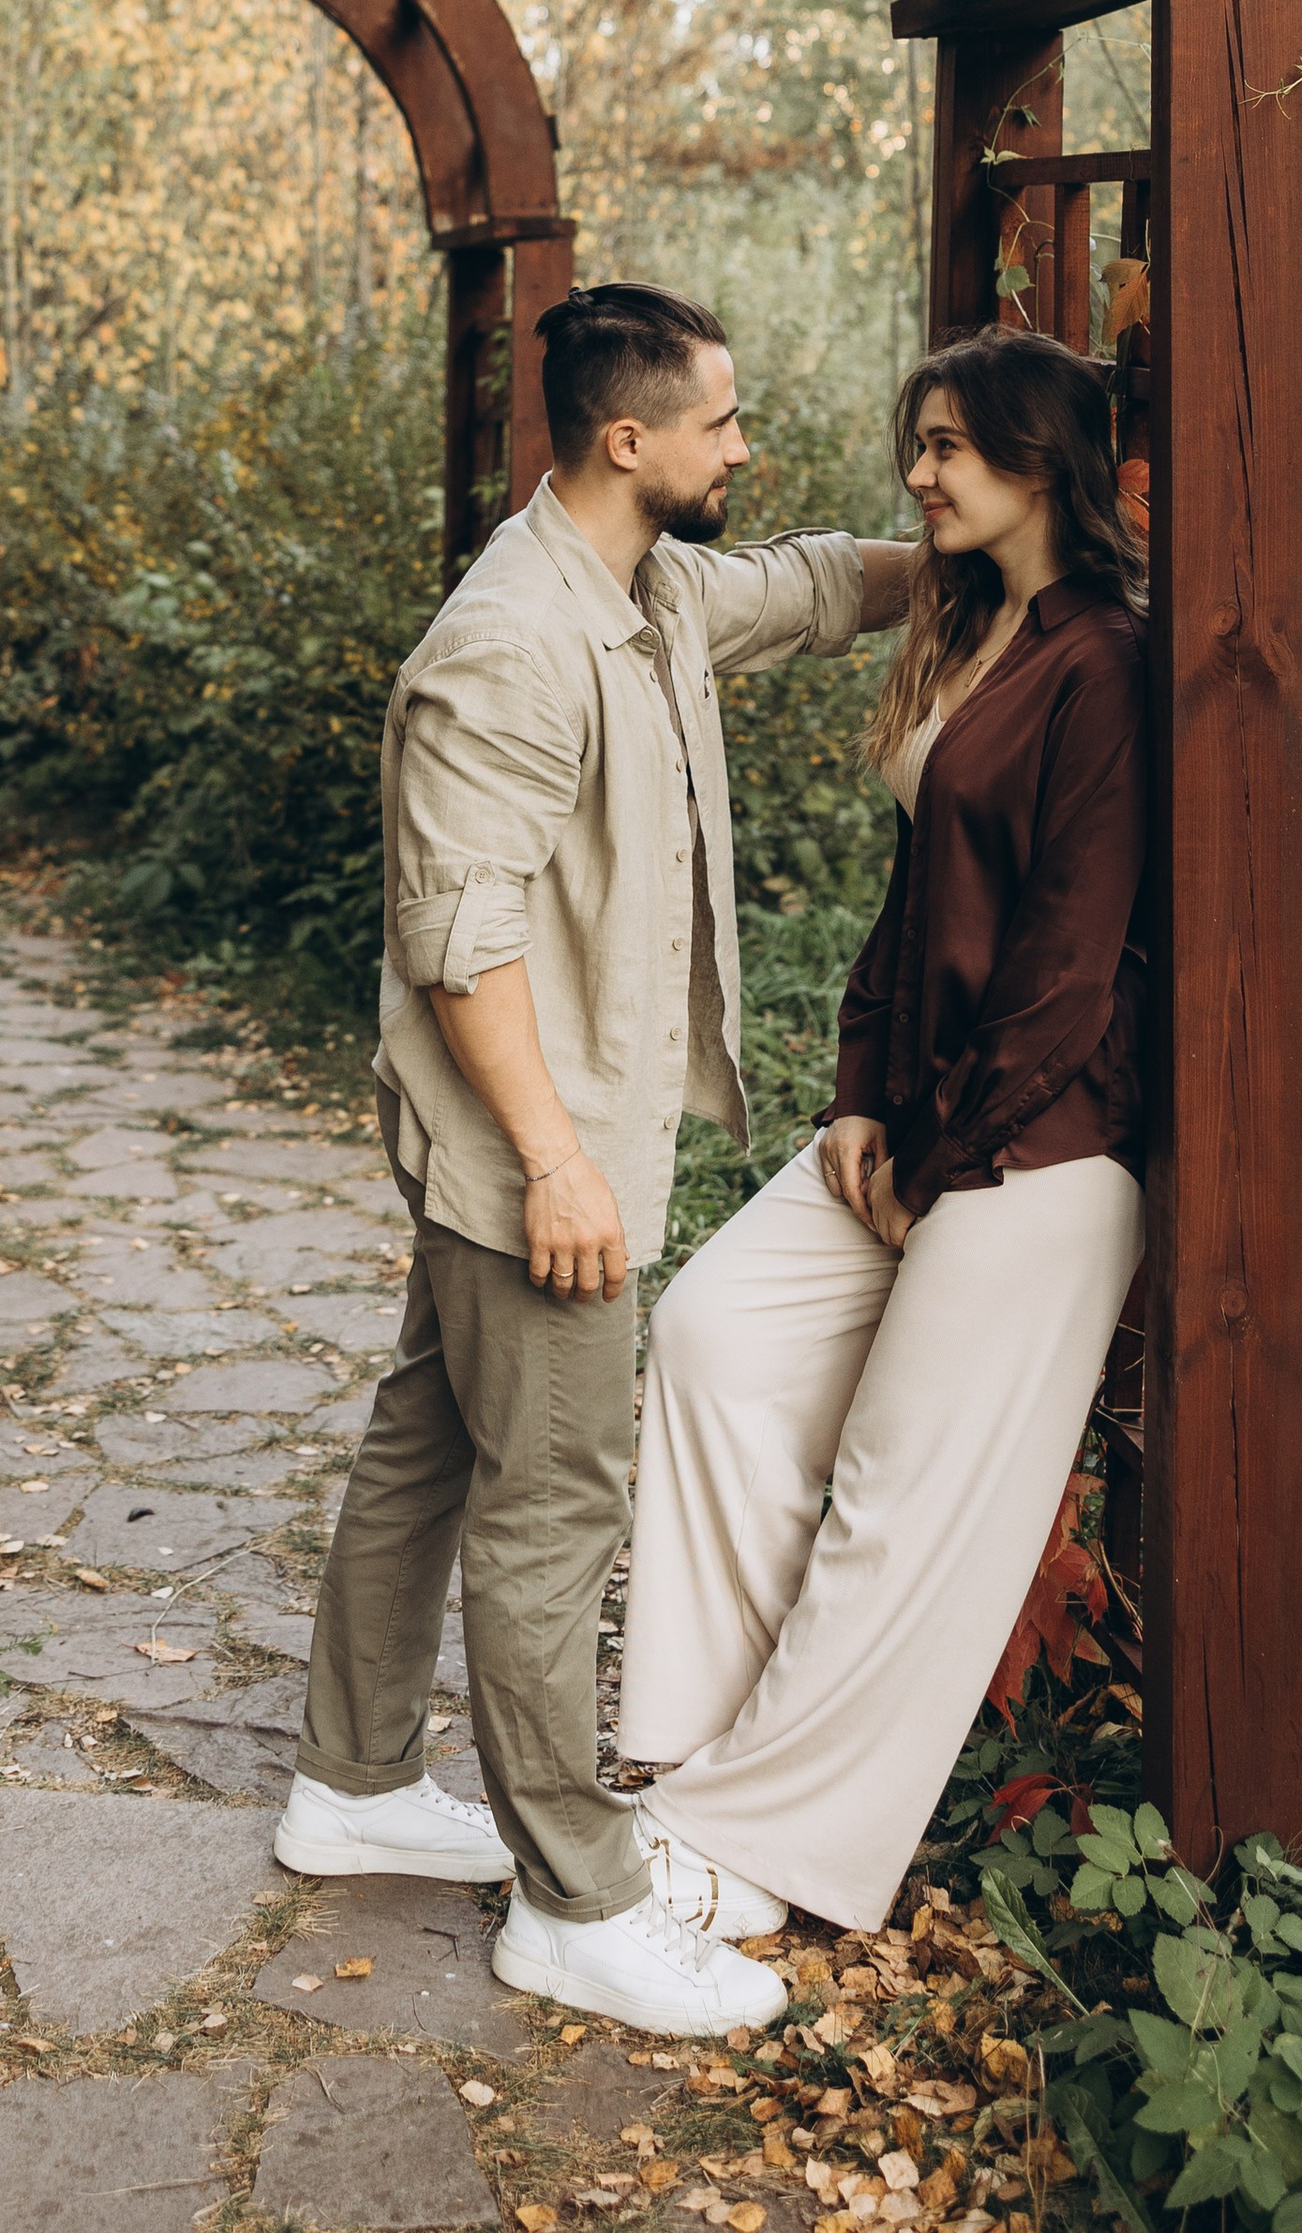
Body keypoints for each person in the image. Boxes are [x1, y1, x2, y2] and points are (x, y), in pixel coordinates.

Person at [275, 281, 918, 2034]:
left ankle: (348, 1778)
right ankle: (574, 1898)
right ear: (628, 439)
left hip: (554, 1141)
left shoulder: (644, 587)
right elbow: (457, 938)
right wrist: (559, 1167)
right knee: (556, 1502)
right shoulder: (511, 643)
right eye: (720, 421)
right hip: (532, 1157)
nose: (744, 446)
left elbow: (811, 584)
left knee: (428, 1437)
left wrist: (974, 528)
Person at [614, 327, 1150, 1938]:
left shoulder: (1107, 664)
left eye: (945, 448)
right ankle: (700, 1760)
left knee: (900, 1494)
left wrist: (939, 1159)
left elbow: (1066, 963)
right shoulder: (973, 625)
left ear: (1037, 462)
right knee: (711, 1339)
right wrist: (861, 1101)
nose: (915, 475)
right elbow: (918, 903)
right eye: (915, 445)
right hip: (914, 1120)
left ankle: (769, 1855)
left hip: (1045, 1149)